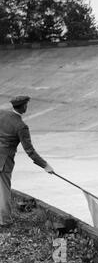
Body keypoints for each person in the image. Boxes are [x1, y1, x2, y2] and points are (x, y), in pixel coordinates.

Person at [0, 96, 54, 227]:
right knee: (3, 190)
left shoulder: (2, 113)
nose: (26, 107)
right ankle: (5, 220)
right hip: (4, 160)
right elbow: (30, 151)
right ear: (23, 106)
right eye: (26, 105)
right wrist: (45, 165)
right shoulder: (21, 126)